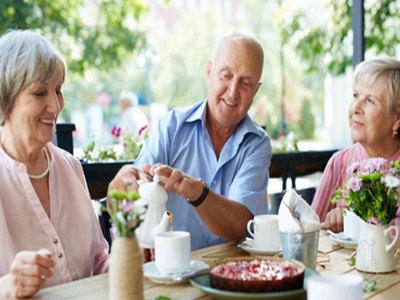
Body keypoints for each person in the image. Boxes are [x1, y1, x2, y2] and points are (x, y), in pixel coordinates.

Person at [108, 32, 272, 252]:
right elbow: (125, 196)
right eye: (226, 75)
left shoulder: (257, 144)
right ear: (209, 72)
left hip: (231, 275)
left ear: (256, 91)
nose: (233, 92)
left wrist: (197, 192)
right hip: (168, 271)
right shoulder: (171, 127)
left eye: (245, 83)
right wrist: (123, 177)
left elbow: (240, 227)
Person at [0, 30, 109, 298]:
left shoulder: (71, 167)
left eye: (58, 90)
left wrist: (128, 261)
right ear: (6, 100)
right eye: (39, 93)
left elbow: (99, 261)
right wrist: (7, 287)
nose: (55, 106)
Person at [312, 57, 400, 233]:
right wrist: (331, 222)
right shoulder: (339, 162)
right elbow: (308, 233)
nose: (356, 108)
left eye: (370, 100)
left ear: (397, 119)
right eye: (355, 95)